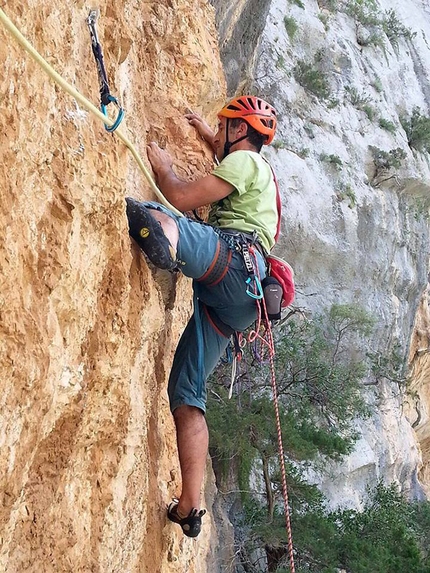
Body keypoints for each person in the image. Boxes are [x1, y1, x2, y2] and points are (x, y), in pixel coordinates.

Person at [125, 96, 278, 538]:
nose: (219, 130)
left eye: (225, 125)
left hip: (231, 264)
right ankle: (190, 507)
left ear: (240, 132)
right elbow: (226, 158)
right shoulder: (253, 169)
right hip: (239, 304)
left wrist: (164, 166)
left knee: (156, 216)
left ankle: (170, 245)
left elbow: (179, 193)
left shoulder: (246, 164)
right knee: (186, 392)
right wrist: (209, 137)